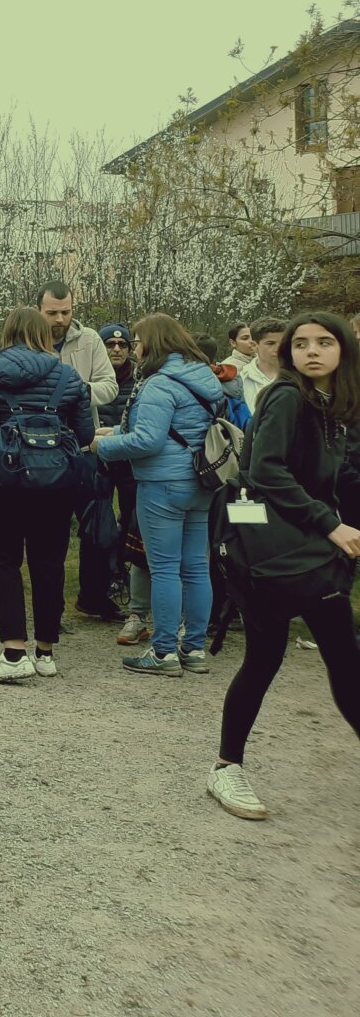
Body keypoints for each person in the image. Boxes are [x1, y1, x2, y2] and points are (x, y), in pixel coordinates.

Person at [209, 311, 360, 819]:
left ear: (343, 349)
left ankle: (226, 766)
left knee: (331, 657)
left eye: (324, 342)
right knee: (277, 657)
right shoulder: (287, 396)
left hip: (301, 549)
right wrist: (329, 524)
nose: (311, 351)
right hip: (275, 549)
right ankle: (227, 768)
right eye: (301, 343)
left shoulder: (329, 405)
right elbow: (264, 470)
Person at [0, 306, 94, 682]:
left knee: (3, 560)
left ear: (8, 333)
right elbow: (84, 435)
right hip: (55, 480)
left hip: (2, 477)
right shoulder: (69, 376)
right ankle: (46, 652)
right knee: (48, 561)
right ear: (44, 333)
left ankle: (14, 652)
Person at [92, 314, 223, 677]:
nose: (133, 347)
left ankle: (163, 652)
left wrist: (102, 445)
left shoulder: (159, 384)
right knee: (197, 567)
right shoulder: (204, 377)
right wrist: (116, 428)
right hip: (201, 482)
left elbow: (148, 441)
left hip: (163, 484)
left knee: (163, 567)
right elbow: (176, 427)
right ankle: (193, 649)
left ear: (153, 342)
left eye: (136, 340)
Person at [94, 323, 151, 644]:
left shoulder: (141, 379)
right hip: (98, 457)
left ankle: (128, 582)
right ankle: (100, 588)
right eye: (110, 344)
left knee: (132, 522)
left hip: (131, 460)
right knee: (99, 526)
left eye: (122, 344)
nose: (116, 349)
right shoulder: (94, 376)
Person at [38, 279, 119, 411]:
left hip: (81, 427)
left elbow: (110, 387)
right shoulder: (27, 343)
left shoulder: (90, 339)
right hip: (40, 426)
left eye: (65, 312)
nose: (59, 319)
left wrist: (78, 389)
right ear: (37, 310)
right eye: (52, 313)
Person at [240, 316, 286, 414]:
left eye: (282, 343)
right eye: (271, 343)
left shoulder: (298, 377)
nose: (278, 349)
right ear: (254, 345)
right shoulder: (241, 379)